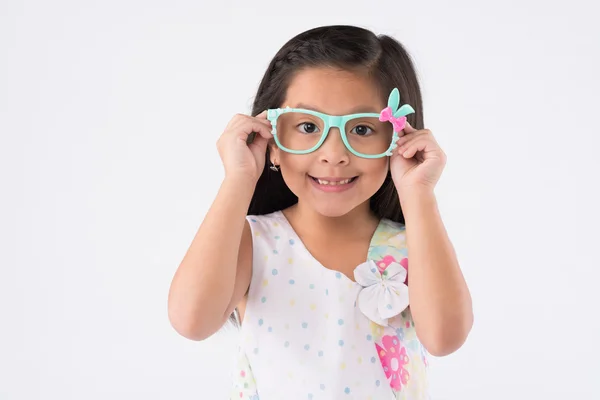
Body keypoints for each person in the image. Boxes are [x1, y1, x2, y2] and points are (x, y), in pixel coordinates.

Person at [168, 24, 473, 400]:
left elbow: (445, 338)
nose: (334, 153)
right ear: (272, 140)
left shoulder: (413, 245)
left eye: (361, 128)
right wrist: (239, 178)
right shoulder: (255, 242)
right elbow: (191, 321)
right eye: (309, 126)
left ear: (398, 140)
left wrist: (419, 193)